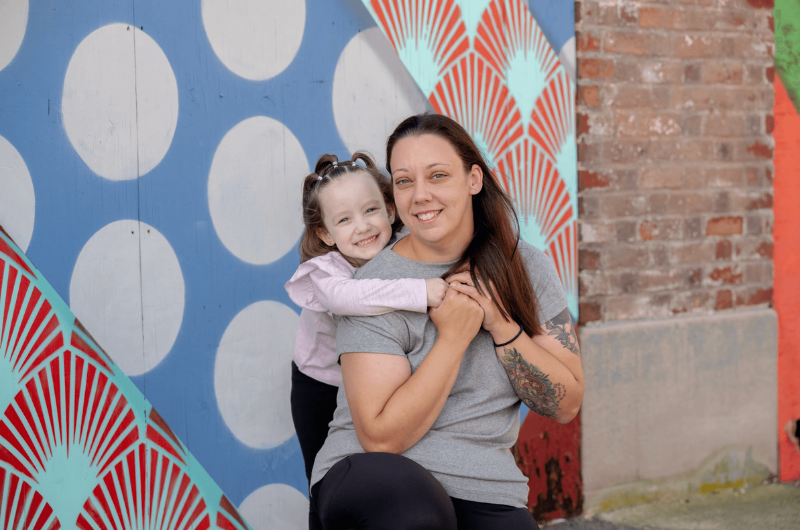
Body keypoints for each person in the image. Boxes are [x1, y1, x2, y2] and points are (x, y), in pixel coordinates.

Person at [308, 114, 585, 530]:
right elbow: (381, 437)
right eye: (404, 181)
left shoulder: (526, 268)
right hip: (374, 478)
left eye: (437, 175)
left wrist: (503, 327)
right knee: (417, 516)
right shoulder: (374, 286)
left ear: (473, 179)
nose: (420, 195)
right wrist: (453, 339)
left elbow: (565, 404)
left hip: (484, 487)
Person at [285, 152, 449, 483]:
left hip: (375, 380)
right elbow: (348, 298)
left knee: (380, 469)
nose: (362, 227)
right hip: (321, 384)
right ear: (326, 234)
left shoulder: (402, 249)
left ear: (390, 210)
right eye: (344, 220)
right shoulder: (326, 271)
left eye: (371, 210)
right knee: (325, 475)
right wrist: (419, 292)